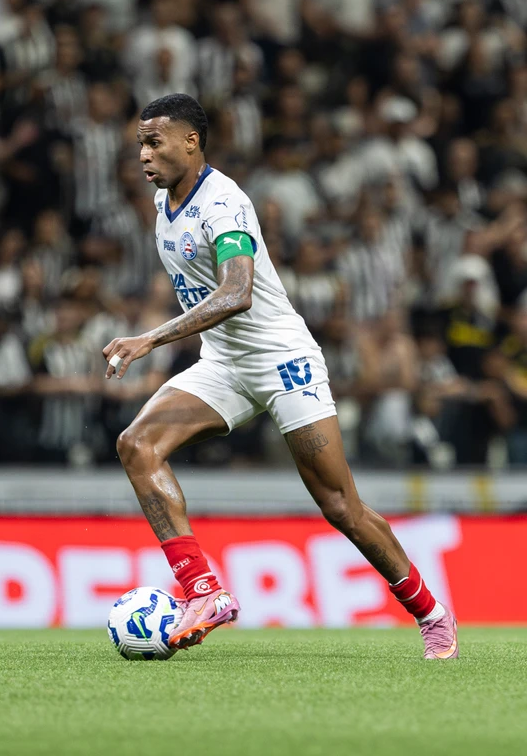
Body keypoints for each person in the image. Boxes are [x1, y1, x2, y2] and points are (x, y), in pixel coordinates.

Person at [101, 94, 459, 659]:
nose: (143, 154)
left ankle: (430, 612)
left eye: (154, 141)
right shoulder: (161, 201)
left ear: (191, 141)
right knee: (137, 445)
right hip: (223, 363)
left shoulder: (224, 202)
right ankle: (203, 592)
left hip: (280, 359)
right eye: (140, 143)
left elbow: (238, 292)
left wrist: (151, 337)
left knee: (341, 506)